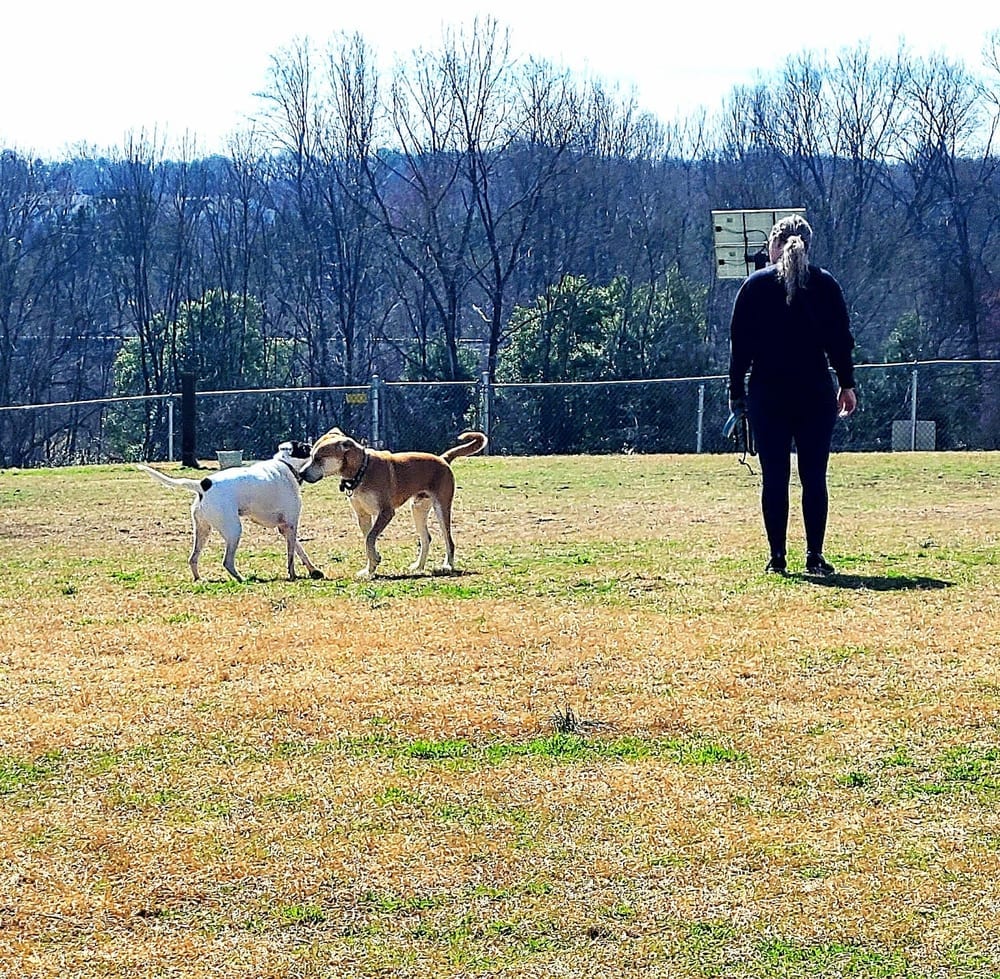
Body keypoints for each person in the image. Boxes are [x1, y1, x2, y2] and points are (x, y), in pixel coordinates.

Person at [727, 214, 858, 576]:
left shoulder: (754, 287)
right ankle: (815, 555)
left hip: (768, 394)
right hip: (814, 392)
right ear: (807, 245)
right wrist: (846, 383)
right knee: (814, 475)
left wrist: (736, 393)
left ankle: (777, 557)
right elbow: (840, 341)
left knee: (775, 476)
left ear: (773, 246)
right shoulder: (825, 285)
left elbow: (740, 348)